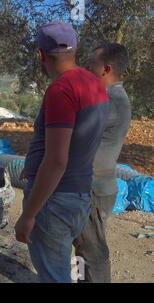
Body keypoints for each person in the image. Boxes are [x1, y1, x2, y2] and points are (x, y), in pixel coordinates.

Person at [14, 21, 109, 283]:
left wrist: (29, 214)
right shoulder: (94, 83)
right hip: (79, 196)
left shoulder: (61, 90)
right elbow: (80, 140)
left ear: (41, 54)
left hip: (54, 202)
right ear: (75, 49)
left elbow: (56, 161)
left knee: (54, 277)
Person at [74, 43, 131, 283]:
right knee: (85, 249)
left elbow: (73, 138)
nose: (87, 67)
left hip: (92, 189)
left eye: (92, 63)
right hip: (97, 185)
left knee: (92, 252)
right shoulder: (114, 97)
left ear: (106, 69)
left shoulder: (109, 100)